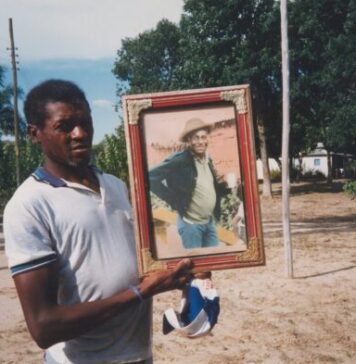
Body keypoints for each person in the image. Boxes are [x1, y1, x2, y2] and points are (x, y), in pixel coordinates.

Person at [3, 79, 195, 364]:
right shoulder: (30, 204)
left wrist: (181, 272)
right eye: (64, 126)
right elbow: (43, 327)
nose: (80, 134)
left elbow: (139, 264)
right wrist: (143, 292)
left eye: (85, 123)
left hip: (139, 356)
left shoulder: (116, 186)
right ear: (35, 133)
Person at [149, 118, 228, 249]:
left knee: (211, 264)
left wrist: (224, 186)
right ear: (189, 140)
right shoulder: (180, 160)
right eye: (196, 138)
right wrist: (174, 200)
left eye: (203, 137)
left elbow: (206, 187)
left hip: (208, 223)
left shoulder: (207, 160)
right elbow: (150, 177)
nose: (200, 142)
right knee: (196, 267)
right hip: (191, 226)